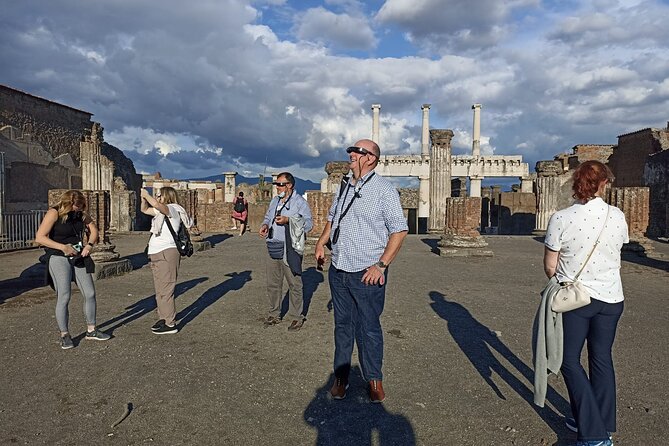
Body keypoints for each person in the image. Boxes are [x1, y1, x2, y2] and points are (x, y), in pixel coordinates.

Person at [315, 139, 408, 403]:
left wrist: (381, 265)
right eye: (351, 151)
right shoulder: (344, 186)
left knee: (368, 328)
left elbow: (399, 230)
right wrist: (322, 243)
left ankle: (374, 379)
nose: (351, 155)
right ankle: (341, 379)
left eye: (356, 152)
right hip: (339, 267)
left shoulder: (384, 190)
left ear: (371, 158)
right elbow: (333, 218)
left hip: (366, 272)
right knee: (342, 327)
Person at [543, 161, 628, 446]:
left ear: (575, 183)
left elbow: (550, 267)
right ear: (604, 184)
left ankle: (594, 434)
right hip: (613, 298)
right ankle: (596, 419)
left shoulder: (561, 218)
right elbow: (617, 251)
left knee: (568, 360)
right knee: (601, 357)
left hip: (577, 300)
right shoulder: (617, 216)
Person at [35, 190, 110, 349]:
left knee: (90, 293)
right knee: (64, 295)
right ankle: (65, 334)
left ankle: (91, 330)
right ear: (67, 204)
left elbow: (94, 230)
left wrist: (89, 245)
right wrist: (63, 247)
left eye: (81, 206)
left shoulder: (81, 215)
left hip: (78, 257)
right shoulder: (54, 213)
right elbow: (40, 238)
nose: (79, 209)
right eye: (76, 206)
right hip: (58, 256)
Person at [258, 172, 313, 331]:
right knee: (273, 283)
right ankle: (274, 313)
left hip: (290, 247)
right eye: (276, 184)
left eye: (280, 184)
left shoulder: (299, 202)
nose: (277, 187)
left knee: (294, 283)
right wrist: (265, 225)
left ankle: (297, 317)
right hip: (272, 245)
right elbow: (268, 217)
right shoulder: (274, 201)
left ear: (289, 185)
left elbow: (309, 224)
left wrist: (289, 220)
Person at [141, 187, 192, 335]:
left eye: (160, 195)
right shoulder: (160, 213)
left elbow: (157, 206)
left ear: (167, 197)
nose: (157, 198)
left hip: (167, 253)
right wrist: (143, 198)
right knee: (159, 290)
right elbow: (145, 210)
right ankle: (163, 317)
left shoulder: (173, 210)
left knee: (166, 289)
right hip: (156, 253)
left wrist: (148, 195)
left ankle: (170, 323)